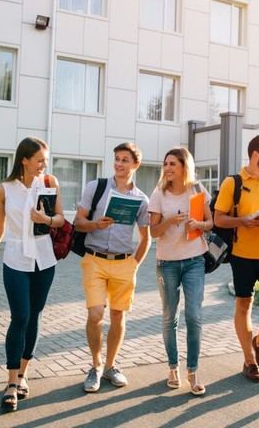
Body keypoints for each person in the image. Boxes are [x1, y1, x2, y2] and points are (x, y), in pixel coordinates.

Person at [0, 137, 65, 411]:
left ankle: (24, 375)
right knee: (20, 316)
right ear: (24, 159)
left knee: (35, 316)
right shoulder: (4, 189)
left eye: (46, 161)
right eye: (39, 160)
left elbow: (61, 218)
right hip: (15, 259)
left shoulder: (50, 183)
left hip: (44, 260)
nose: (43, 166)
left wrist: (46, 220)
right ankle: (11, 382)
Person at [74, 142, 151, 393]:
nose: (119, 164)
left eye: (125, 160)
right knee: (95, 315)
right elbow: (78, 222)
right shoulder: (95, 187)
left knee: (118, 316)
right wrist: (96, 225)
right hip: (94, 259)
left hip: (123, 263)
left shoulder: (141, 199)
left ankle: (110, 366)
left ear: (135, 165)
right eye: (116, 159)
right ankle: (95, 366)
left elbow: (146, 237)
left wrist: (134, 265)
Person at [214, 135, 259, 383]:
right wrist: (243, 221)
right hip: (242, 255)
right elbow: (219, 219)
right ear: (256, 155)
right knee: (243, 306)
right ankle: (248, 361)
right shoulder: (232, 183)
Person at [148, 147, 213, 396]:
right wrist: (170, 222)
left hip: (194, 260)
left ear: (184, 166)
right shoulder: (159, 194)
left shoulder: (197, 190)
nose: (167, 168)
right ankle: (173, 367)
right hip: (167, 262)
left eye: (172, 164)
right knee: (169, 317)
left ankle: (193, 370)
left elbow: (211, 222)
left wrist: (199, 224)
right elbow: (153, 232)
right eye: (165, 164)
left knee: (194, 316)